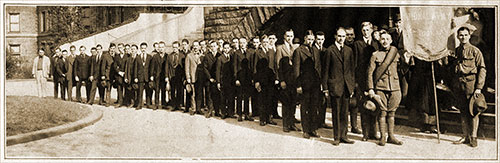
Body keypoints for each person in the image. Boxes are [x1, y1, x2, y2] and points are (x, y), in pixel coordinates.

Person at [367, 31, 408, 146]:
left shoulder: (396, 54)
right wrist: (371, 88)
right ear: (380, 41)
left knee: (392, 113)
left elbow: (403, 70)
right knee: (382, 113)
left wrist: (407, 60)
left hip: (395, 87)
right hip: (381, 87)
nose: (384, 41)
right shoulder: (375, 55)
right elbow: (370, 73)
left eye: (387, 39)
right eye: (382, 39)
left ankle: (391, 136)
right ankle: (383, 137)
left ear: (391, 40)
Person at [448, 27, 486, 147]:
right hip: (459, 84)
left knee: (473, 111)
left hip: (471, 84)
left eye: (465, 35)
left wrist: (479, 87)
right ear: (458, 37)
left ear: (469, 36)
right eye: (461, 35)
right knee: (463, 111)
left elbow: (482, 69)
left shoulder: (475, 51)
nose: (463, 37)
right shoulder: (457, 51)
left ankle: (473, 137)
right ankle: (465, 136)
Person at [323, 27, 356, 145]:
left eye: (344, 36)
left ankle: (344, 136)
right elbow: (325, 70)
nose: (342, 39)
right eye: (340, 36)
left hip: (346, 87)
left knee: (344, 112)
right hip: (335, 86)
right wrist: (325, 88)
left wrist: (351, 86)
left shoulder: (349, 50)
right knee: (336, 113)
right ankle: (336, 137)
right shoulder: (330, 50)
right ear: (335, 37)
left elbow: (351, 70)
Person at [353, 22, 380, 141]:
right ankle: (366, 134)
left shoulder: (376, 44)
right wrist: (356, 82)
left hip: (374, 80)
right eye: (363, 30)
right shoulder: (357, 44)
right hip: (361, 80)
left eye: (368, 30)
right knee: (364, 107)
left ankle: (374, 132)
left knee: (374, 106)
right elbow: (354, 64)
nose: (366, 32)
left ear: (372, 30)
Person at [294, 30, 321, 139]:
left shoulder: (315, 50)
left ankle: (313, 129)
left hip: (315, 84)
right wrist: (298, 85)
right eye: (308, 39)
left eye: (312, 39)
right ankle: (306, 130)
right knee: (305, 107)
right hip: (305, 84)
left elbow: (318, 67)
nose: (310, 41)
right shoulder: (299, 51)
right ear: (305, 38)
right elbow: (296, 70)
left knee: (314, 107)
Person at [277, 29, 300, 131]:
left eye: (291, 36)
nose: (289, 38)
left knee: (293, 102)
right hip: (285, 80)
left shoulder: (296, 47)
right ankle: (285, 125)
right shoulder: (280, 48)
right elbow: (278, 66)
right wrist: (281, 80)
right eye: (288, 36)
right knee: (286, 102)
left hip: (294, 80)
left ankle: (292, 123)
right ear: (284, 37)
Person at [312, 31, 331, 129]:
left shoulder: (325, 50)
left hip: (323, 79)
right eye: (318, 39)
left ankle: (321, 121)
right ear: (315, 39)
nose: (320, 41)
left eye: (322, 39)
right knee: (315, 101)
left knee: (323, 101)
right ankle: (314, 122)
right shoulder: (312, 49)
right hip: (314, 79)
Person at [234, 37, 254, 122]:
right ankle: (239, 114)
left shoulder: (250, 52)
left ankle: (246, 114)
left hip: (248, 78)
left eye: (244, 42)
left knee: (246, 97)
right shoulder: (236, 53)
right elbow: (234, 66)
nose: (242, 44)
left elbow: (252, 66)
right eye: (241, 43)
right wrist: (236, 79)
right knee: (239, 96)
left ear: (246, 43)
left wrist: (253, 78)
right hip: (240, 78)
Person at [216, 43, 236, 119]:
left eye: (228, 48)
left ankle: (231, 112)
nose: (226, 49)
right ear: (223, 49)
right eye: (225, 48)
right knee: (223, 98)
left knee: (231, 97)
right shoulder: (220, 58)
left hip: (230, 81)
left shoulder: (231, 57)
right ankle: (223, 113)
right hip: (223, 81)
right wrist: (218, 82)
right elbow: (218, 71)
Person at [203, 40, 220, 117]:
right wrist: (209, 78)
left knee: (217, 95)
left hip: (217, 79)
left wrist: (218, 78)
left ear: (217, 47)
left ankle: (217, 111)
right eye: (211, 46)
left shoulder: (220, 55)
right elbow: (205, 68)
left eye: (214, 46)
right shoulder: (207, 56)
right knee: (209, 95)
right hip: (209, 79)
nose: (213, 48)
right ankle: (210, 110)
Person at [185, 40, 203, 115]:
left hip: (200, 78)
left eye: (197, 45)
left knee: (199, 94)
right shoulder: (189, 56)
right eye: (194, 46)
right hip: (192, 77)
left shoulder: (202, 55)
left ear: (199, 46)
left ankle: (199, 109)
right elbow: (187, 68)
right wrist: (188, 77)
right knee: (192, 94)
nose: (195, 47)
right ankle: (193, 108)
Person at [167, 41, 185, 111]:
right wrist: (167, 76)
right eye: (173, 47)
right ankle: (173, 105)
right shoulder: (169, 56)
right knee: (172, 91)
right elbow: (167, 67)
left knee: (179, 91)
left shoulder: (182, 55)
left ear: (179, 47)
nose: (175, 48)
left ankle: (179, 105)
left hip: (179, 76)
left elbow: (184, 67)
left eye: (176, 47)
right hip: (172, 76)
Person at [133, 43, 152, 110]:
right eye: (142, 48)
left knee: (148, 91)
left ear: (146, 48)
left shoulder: (149, 57)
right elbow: (135, 68)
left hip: (147, 77)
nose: (143, 50)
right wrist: (135, 77)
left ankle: (148, 104)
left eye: (144, 48)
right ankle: (139, 104)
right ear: (140, 49)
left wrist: (151, 76)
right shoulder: (137, 57)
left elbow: (151, 68)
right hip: (140, 77)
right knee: (140, 92)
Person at [151, 41, 169, 110]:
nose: (161, 49)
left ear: (165, 48)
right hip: (157, 76)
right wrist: (152, 75)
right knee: (157, 90)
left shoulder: (167, 56)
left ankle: (164, 104)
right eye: (160, 47)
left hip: (164, 76)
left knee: (164, 90)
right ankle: (156, 104)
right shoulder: (155, 56)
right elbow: (152, 67)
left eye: (162, 47)